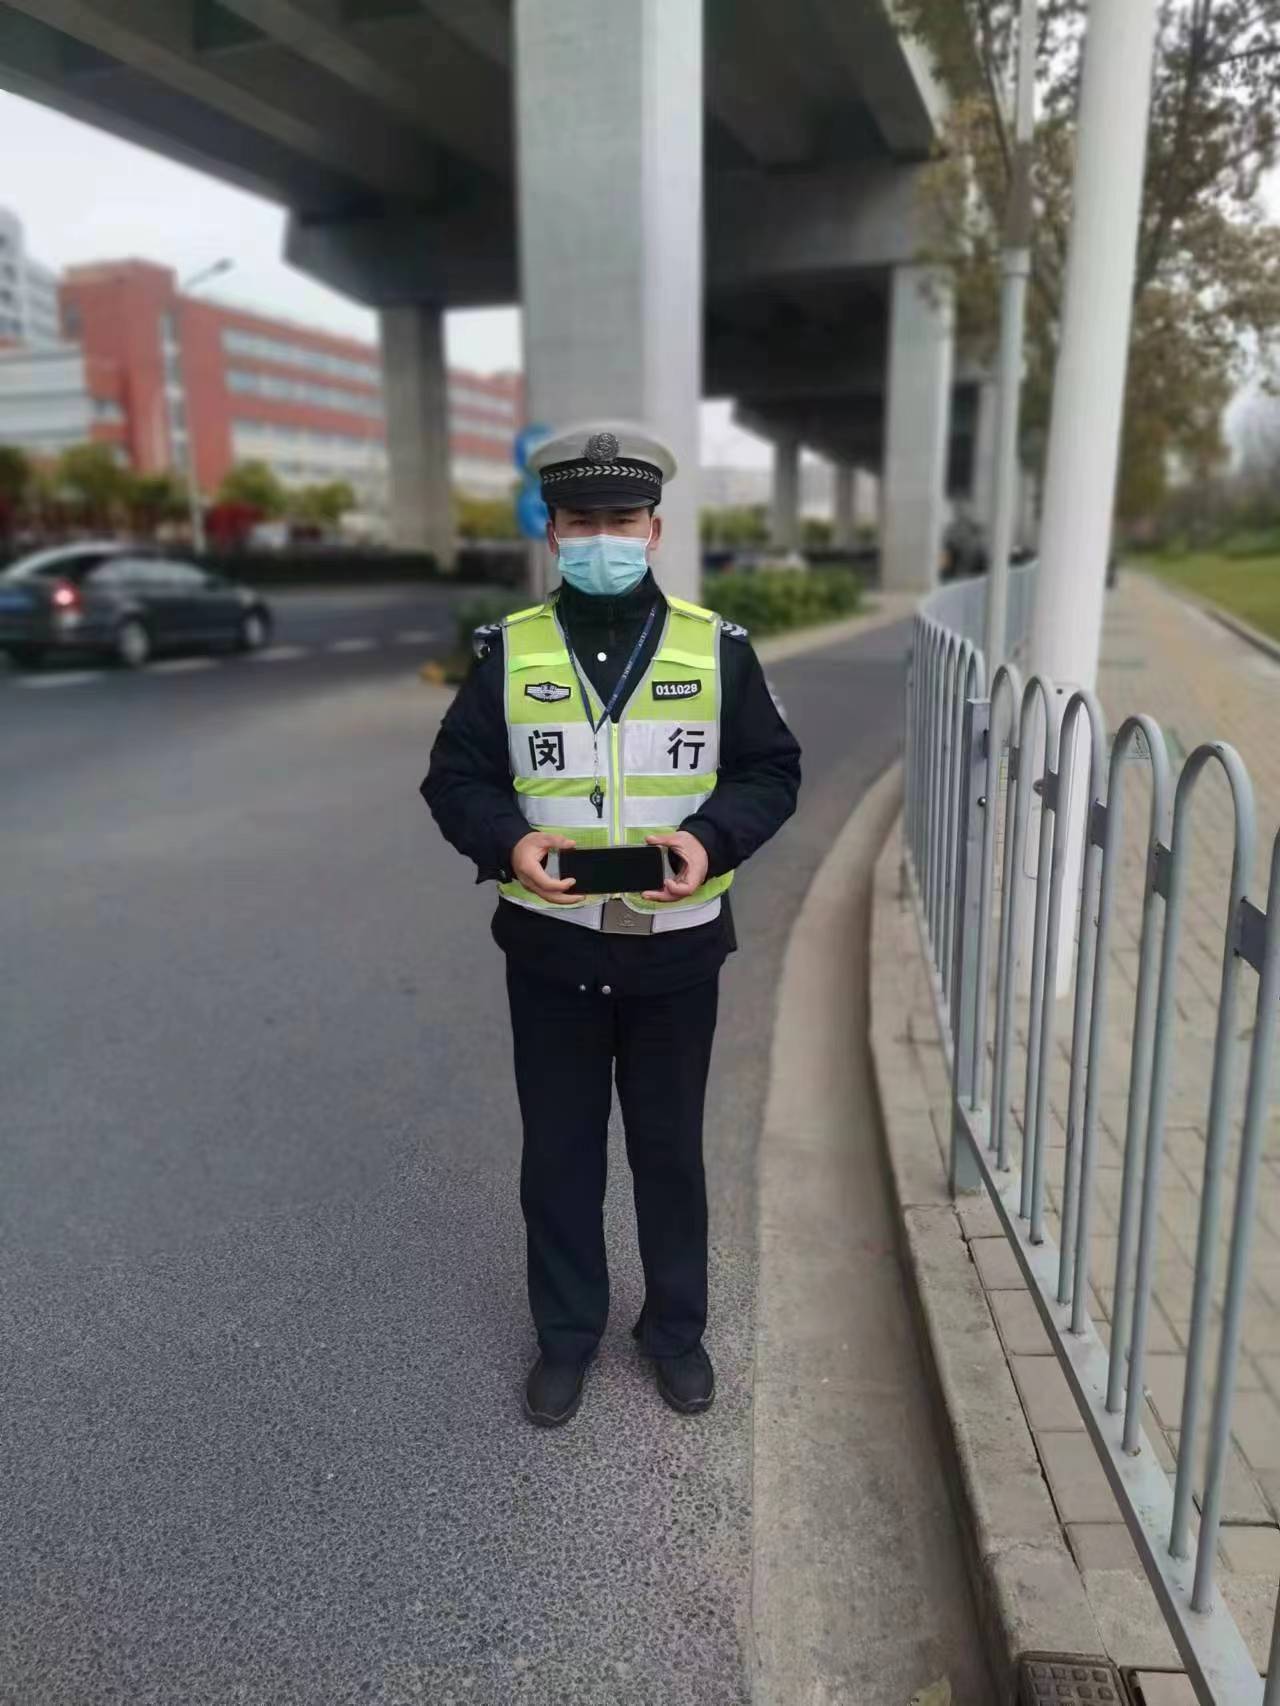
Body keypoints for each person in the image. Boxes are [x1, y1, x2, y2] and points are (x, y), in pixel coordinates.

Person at [421, 423, 801, 1428]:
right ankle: (566, 1334)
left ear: (654, 528)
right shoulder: (509, 650)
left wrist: (709, 839)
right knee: (559, 1156)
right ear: (552, 531)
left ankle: (674, 1332)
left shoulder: (715, 647)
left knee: (669, 1152)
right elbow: (455, 778)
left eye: (621, 518)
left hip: (677, 950)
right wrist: (510, 843)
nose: (602, 536)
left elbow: (771, 770)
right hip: (551, 951)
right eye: (582, 519)